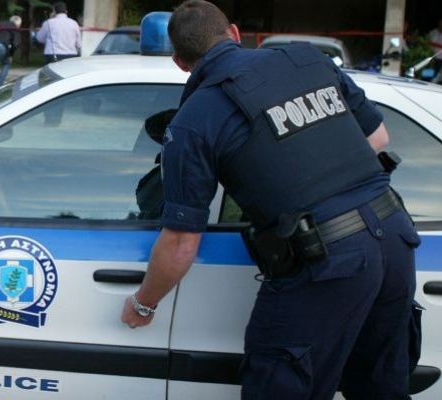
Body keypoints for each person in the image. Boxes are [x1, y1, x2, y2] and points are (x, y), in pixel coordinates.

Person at [120, 1, 420, 399]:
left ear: (179, 61)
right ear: (234, 33)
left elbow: (180, 243)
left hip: (325, 261)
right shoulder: (307, 59)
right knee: (380, 388)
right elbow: (378, 138)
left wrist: (144, 304)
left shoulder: (194, 121)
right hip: (395, 238)